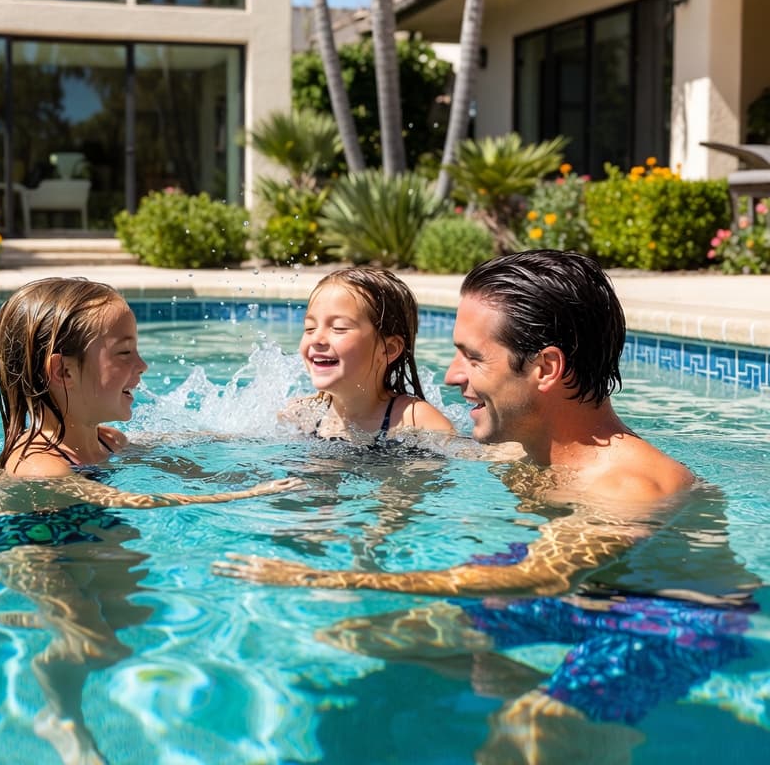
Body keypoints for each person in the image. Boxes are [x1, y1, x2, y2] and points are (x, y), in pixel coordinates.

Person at [215, 252, 758, 762]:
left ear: (545, 368)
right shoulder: (521, 451)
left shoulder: (629, 487)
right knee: (367, 636)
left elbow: (534, 578)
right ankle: (511, 679)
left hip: (666, 616)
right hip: (586, 583)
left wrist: (324, 579)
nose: (452, 376)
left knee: (527, 730)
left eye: (472, 357)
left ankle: (588, 727)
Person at [0, 276, 302, 765]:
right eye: (123, 353)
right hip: (29, 539)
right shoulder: (38, 461)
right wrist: (240, 495)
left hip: (78, 525)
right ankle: (58, 711)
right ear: (63, 372)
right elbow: (128, 500)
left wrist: (246, 448)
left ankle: (64, 710)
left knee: (126, 623)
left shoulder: (103, 439)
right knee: (94, 643)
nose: (141, 366)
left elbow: (168, 457)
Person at [281, 266, 457, 443]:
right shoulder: (301, 416)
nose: (317, 338)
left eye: (339, 328)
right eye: (309, 328)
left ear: (389, 349)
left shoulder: (417, 421)